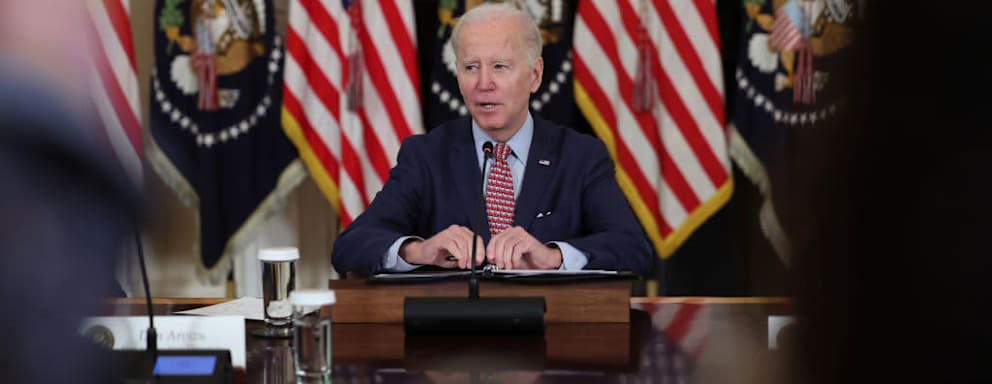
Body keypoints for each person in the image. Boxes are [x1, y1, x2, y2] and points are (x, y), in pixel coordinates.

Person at [332, 3, 651, 276]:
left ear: (535, 75)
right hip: (453, 340)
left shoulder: (580, 156)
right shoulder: (426, 156)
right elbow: (351, 245)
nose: (484, 83)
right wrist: (418, 251)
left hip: (553, 335)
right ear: (457, 76)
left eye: (500, 67)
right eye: (471, 67)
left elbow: (633, 248)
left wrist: (553, 257)